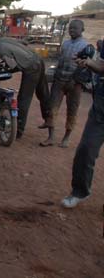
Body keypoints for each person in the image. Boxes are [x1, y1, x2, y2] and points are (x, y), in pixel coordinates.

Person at [61, 38, 104, 208]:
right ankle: (80, 191)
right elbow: (101, 65)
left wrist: (91, 64)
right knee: (86, 149)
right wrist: (88, 63)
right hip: (101, 108)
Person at [39, 20, 88, 147]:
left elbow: (85, 67)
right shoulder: (65, 44)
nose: (71, 30)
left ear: (82, 30)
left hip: (75, 84)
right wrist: (54, 75)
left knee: (72, 111)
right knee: (52, 108)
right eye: (70, 28)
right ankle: (51, 137)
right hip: (59, 80)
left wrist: (76, 80)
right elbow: (60, 61)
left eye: (75, 28)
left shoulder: (85, 46)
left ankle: (66, 138)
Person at [0, 37, 50, 139]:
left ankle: (19, 130)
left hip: (31, 67)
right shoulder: (3, 40)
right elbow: (23, 42)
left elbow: (13, 65)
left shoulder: (1, 52)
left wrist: (4, 70)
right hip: (37, 59)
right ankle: (49, 117)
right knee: (42, 91)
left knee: (24, 97)